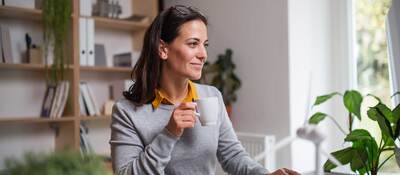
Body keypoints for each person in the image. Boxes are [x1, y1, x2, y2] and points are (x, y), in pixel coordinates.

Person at [110, 5, 299, 175]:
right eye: (193, 44)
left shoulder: (211, 96)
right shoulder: (127, 111)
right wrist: (169, 133)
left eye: (204, 45)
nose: (203, 54)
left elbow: (233, 156)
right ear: (163, 49)